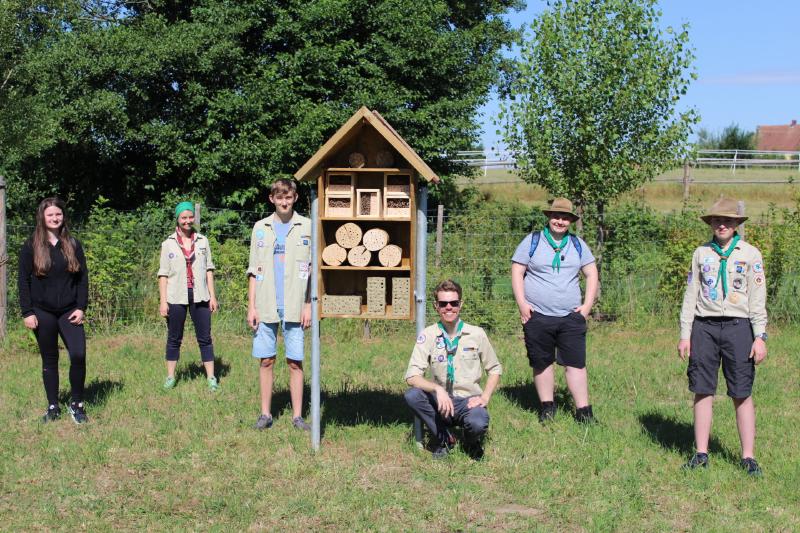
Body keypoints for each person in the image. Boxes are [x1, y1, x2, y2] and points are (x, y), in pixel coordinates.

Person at [677, 198, 767, 476]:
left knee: (741, 391)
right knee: (702, 389)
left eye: (727, 220)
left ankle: (748, 457)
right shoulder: (701, 253)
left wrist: (760, 335)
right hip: (705, 326)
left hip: (739, 327)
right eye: (717, 220)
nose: (722, 224)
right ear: (711, 224)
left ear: (737, 224)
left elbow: (757, 297)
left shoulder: (750, 254)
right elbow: (691, 294)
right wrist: (685, 333)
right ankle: (701, 452)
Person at [511, 197, 599, 423]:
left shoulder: (578, 244)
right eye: (556, 216)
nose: (560, 221)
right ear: (549, 217)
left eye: (565, 217)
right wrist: (522, 304)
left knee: (576, 364)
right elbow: (517, 271)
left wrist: (587, 306)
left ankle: (584, 412)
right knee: (542, 362)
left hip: (571, 316)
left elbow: (591, 273)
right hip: (537, 314)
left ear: (571, 220)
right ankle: (547, 408)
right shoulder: (532, 240)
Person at [404, 280, 503, 459]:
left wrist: (484, 397)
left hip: (468, 402)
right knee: (412, 395)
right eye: (443, 304)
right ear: (436, 306)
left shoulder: (476, 334)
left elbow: (495, 369)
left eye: (453, 303)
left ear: (460, 304)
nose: (449, 308)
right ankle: (445, 439)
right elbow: (411, 376)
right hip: (441, 402)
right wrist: (437, 389)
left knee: (478, 423)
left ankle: (471, 441)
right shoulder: (428, 335)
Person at [247, 179, 312, 431]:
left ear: (294, 198)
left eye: (288, 197)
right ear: (271, 199)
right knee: (266, 360)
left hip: (296, 304)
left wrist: (308, 305)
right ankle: (265, 414)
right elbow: (253, 270)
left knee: (295, 362)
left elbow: (313, 271)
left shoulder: (306, 226)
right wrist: (251, 306)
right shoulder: (260, 228)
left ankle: (297, 416)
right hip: (265, 304)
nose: (284, 202)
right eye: (279, 197)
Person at [18, 198, 90, 424]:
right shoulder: (31, 246)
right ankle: (52, 406)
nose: (54, 218)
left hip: (70, 312)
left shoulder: (73, 244)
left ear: (63, 217)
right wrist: (27, 312)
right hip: (43, 312)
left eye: (58, 214)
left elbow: (83, 278)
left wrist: (81, 307)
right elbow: (23, 281)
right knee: (50, 359)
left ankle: (76, 404)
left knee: (78, 355)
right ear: (42, 217)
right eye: (50, 215)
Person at [157, 201, 220, 391]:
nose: (187, 221)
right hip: (176, 296)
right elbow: (163, 275)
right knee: (174, 338)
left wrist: (213, 296)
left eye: (190, 217)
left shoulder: (203, 241)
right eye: (183, 217)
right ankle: (170, 376)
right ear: (177, 219)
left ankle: (211, 377)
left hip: (200, 295)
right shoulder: (168, 244)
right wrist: (163, 301)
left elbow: (209, 269)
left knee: (205, 337)